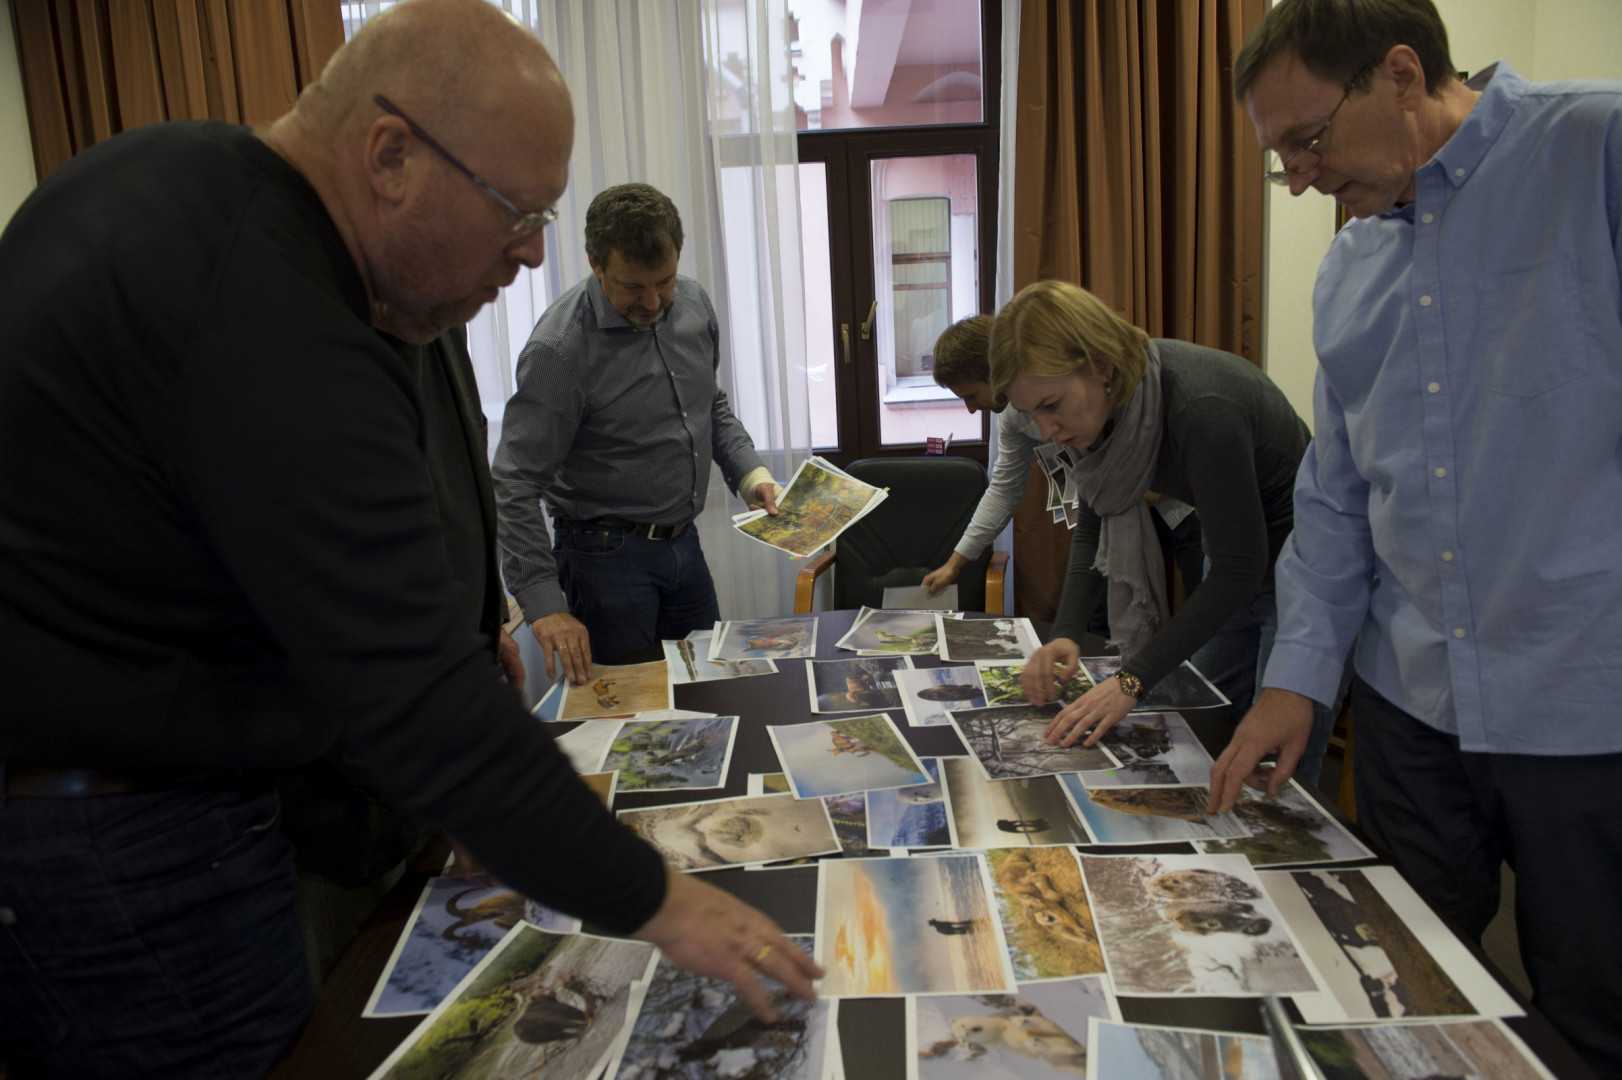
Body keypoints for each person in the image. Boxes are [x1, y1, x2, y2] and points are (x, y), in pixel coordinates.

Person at [0, 2, 815, 1076]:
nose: (532, 254)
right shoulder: (264, 301)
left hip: (172, 798)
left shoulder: (216, 207)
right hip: (134, 838)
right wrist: (659, 901)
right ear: (389, 153)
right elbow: (405, 682)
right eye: (514, 213)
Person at [1211, 1, 1622, 1073]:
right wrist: (1293, 681)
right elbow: (1336, 500)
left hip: (1586, 703)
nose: (1298, 179)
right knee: (1398, 987)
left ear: (1400, 74)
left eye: (1306, 140)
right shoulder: (1347, 270)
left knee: (1592, 1007)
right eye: (1278, 158)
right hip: (1409, 705)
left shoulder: (1594, 151)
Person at [993, 281, 1339, 786]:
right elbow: (1094, 517)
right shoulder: (1107, 410)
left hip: (1306, 575)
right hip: (1235, 566)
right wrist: (1065, 631)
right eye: (1033, 414)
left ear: (1102, 365)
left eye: (1052, 405)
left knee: (1274, 766)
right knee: (1203, 731)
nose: (1047, 429)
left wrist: (1130, 680)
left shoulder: (1201, 406)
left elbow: (1241, 566)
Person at [492, 183, 779, 684]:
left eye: (663, 281)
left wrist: (750, 473)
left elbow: (706, 402)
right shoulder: (559, 350)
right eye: (633, 287)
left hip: (683, 546)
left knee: (708, 691)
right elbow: (514, 484)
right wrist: (544, 605)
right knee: (630, 717)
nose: (653, 301)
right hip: (603, 559)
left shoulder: (691, 303)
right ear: (596, 263)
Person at [921, 314, 1205, 609]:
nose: (970, 410)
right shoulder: (1012, 417)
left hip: (1186, 503)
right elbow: (1004, 490)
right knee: (1102, 618)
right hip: (1120, 511)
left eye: (971, 395)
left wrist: (1142, 484)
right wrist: (955, 563)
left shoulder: (1079, 378)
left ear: (995, 371)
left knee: (1209, 614)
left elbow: (1159, 421)